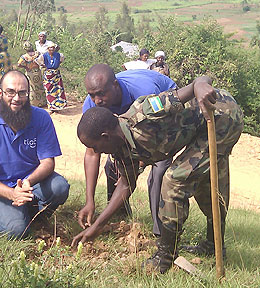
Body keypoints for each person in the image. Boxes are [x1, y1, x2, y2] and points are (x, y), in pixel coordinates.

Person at [73, 76, 243, 274]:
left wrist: (201, 84)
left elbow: (195, 85)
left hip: (221, 114)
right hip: (199, 131)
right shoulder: (120, 148)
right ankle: (213, 245)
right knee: (203, 182)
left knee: (174, 179)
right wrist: (97, 226)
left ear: (105, 136)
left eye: (94, 147)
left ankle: (165, 256)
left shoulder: (144, 113)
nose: (96, 152)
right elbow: (126, 185)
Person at [0, 70, 70, 239]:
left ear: (28, 93)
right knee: (16, 231)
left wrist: (28, 182)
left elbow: (48, 163)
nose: (17, 98)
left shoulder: (41, 118)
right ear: (0, 93)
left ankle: (34, 216)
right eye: (10, 92)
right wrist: (12, 193)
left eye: (22, 93)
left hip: (30, 185)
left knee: (60, 187)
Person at [79, 64, 176, 240]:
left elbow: (158, 139)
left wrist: (138, 163)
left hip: (162, 119)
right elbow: (93, 151)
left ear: (115, 85)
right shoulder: (92, 104)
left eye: (101, 93)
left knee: (159, 172)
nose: (97, 100)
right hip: (126, 126)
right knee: (113, 165)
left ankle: (160, 233)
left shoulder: (145, 92)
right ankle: (119, 217)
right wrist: (89, 200)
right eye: (92, 95)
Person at [36, 42, 67, 112]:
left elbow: (61, 60)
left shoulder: (59, 55)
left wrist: (57, 64)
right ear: (48, 49)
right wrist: (44, 65)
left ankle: (58, 106)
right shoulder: (44, 55)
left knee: (58, 90)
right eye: (50, 48)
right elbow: (38, 61)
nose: (51, 49)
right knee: (49, 91)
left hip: (56, 75)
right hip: (48, 75)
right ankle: (51, 107)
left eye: (53, 48)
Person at [17, 41, 46, 107]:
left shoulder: (24, 56)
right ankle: (42, 102)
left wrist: (26, 67)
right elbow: (42, 61)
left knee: (31, 87)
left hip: (30, 73)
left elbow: (18, 64)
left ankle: (33, 103)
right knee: (40, 87)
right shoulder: (37, 53)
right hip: (38, 72)